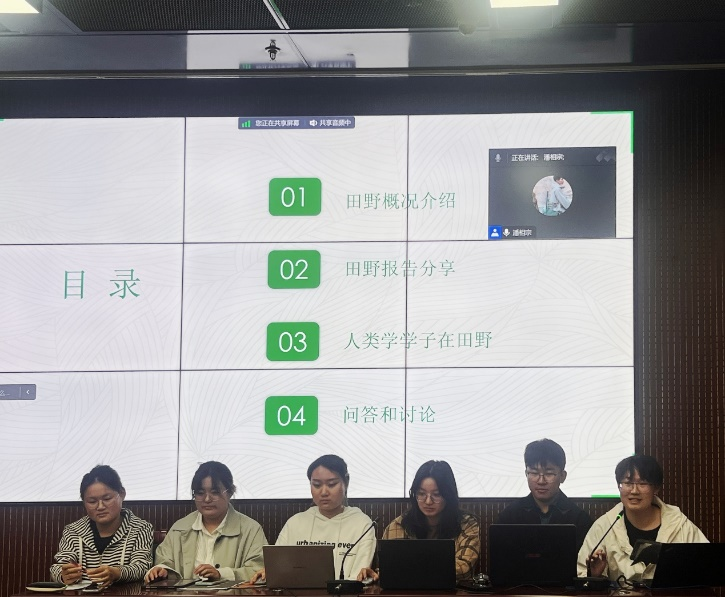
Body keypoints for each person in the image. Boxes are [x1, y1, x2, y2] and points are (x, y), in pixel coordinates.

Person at [578, 455, 708, 583]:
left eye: (642, 483)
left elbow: (706, 566)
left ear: (656, 488)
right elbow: (582, 573)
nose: (634, 491)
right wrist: (594, 576)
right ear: (619, 486)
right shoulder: (604, 525)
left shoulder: (679, 524)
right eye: (627, 483)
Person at [251, 454, 375, 583]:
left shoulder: (362, 523)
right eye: (316, 485)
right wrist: (269, 572)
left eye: (332, 484)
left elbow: (360, 575)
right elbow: (278, 568)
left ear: (346, 482)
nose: (324, 492)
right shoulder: (295, 523)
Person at [359, 460, 480, 582]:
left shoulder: (466, 524)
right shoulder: (399, 525)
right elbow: (390, 568)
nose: (428, 501)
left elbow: (464, 568)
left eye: (436, 494)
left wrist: (411, 569)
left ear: (449, 495)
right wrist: (374, 574)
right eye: (421, 494)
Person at [145, 461, 266, 583]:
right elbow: (164, 561)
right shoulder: (179, 528)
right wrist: (162, 570)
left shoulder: (251, 529)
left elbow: (259, 570)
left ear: (230, 492)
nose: (207, 499)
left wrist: (221, 574)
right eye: (200, 493)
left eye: (215, 492)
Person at [50, 465, 153, 587]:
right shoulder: (73, 531)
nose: (100, 507)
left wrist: (117, 573)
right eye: (92, 501)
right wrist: (64, 575)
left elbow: (142, 567)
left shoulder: (140, 528)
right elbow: (58, 567)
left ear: (122, 494)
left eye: (107, 499)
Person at [498, 438, 592, 548]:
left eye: (549, 474)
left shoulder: (579, 519)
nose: (541, 481)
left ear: (562, 476)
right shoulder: (510, 516)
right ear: (526, 474)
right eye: (534, 473)